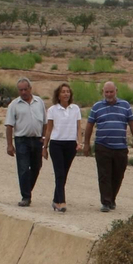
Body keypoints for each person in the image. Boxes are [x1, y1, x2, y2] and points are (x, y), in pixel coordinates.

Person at [83, 80, 133, 212]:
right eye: (106, 92)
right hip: (102, 146)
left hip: (120, 147)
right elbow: (89, 126)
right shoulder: (96, 107)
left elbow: (132, 123)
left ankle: (112, 198)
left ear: (116, 91)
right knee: (104, 175)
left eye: (111, 92)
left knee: (118, 175)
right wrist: (86, 143)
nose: (109, 94)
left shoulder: (125, 106)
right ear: (103, 92)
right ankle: (106, 202)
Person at [3, 78, 45, 207]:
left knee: (36, 167)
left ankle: (27, 189)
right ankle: (26, 196)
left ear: (30, 89)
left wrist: (44, 139)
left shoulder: (39, 102)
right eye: (20, 90)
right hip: (22, 140)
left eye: (25, 89)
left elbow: (45, 122)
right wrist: (10, 145)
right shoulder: (14, 105)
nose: (23, 92)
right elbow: (9, 126)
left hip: (37, 139)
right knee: (23, 169)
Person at [42, 83, 81, 213]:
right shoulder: (52, 110)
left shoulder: (75, 109)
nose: (66, 94)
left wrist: (79, 142)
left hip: (70, 144)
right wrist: (45, 146)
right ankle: (61, 201)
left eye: (67, 92)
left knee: (64, 173)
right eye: (63, 92)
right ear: (58, 95)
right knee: (59, 173)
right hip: (56, 143)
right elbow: (49, 129)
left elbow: (78, 126)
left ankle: (55, 200)